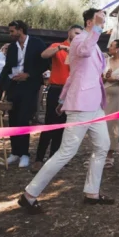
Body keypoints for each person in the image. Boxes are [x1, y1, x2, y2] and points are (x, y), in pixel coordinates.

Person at [18, 8, 114, 212]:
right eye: (99, 19)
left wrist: (62, 99)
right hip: (81, 106)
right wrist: (97, 27)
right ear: (90, 22)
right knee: (66, 152)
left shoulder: (93, 42)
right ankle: (29, 195)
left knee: (102, 146)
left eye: (103, 20)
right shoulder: (80, 40)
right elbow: (85, 51)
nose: (103, 23)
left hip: (95, 105)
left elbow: (73, 75)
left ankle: (92, 192)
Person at [0, 21, 46, 169]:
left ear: (20, 30)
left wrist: (28, 75)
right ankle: (15, 152)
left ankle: (25, 154)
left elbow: (44, 64)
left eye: (12, 31)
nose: (10, 34)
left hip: (29, 86)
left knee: (23, 119)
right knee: (13, 119)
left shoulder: (37, 43)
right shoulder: (12, 47)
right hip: (13, 86)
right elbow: (7, 68)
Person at [32, 26, 82, 172]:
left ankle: (54, 158)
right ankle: (39, 159)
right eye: (76, 33)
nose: (78, 36)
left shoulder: (80, 51)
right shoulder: (57, 46)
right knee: (50, 124)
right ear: (69, 33)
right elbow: (44, 55)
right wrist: (60, 48)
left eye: (80, 34)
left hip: (72, 91)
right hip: (56, 89)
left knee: (64, 126)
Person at [103, 38, 119, 169]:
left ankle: (109, 154)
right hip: (103, 96)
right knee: (101, 124)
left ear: (118, 49)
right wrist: (105, 77)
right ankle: (100, 151)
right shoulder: (106, 60)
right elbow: (100, 79)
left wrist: (116, 79)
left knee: (114, 124)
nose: (109, 47)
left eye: (112, 46)